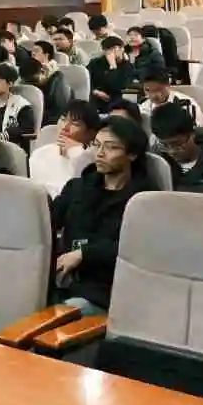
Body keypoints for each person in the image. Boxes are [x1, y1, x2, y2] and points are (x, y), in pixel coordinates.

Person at [50, 117, 156, 315]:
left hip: (106, 291)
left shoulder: (144, 201)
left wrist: (84, 254)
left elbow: (137, 247)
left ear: (132, 154)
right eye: (96, 145)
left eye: (111, 147)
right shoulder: (78, 188)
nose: (99, 153)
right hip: (63, 281)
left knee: (62, 316)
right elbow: (46, 222)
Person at [149, 103, 203, 193]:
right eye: (164, 145)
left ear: (192, 135)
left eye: (177, 144)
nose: (171, 151)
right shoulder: (155, 161)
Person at [28, 100, 101, 197]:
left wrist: (77, 152)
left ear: (91, 133)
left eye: (75, 124)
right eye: (63, 119)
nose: (65, 127)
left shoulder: (96, 159)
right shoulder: (40, 154)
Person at [0, 63, 35, 150]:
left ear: (10, 83)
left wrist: (4, 136)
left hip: (13, 149)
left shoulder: (22, 105)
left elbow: (26, 129)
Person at [138, 68, 202, 125]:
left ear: (168, 85)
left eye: (158, 89)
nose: (153, 95)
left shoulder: (185, 103)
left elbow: (193, 129)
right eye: (147, 90)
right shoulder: (143, 104)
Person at [86, 36, 134, 111]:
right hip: (95, 97)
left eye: (114, 48)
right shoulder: (96, 63)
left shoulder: (127, 66)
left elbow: (118, 86)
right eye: (108, 49)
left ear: (122, 49)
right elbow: (86, 79)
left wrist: (113, 67)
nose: (111, 52)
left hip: (115, 98)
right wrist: (95, 92)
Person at [22, 56, 69, 127]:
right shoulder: (31, 82)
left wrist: (33, 117)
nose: (32, 85)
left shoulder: (58, 84)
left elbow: (58, 114)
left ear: (42, 72)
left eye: (34, 81)